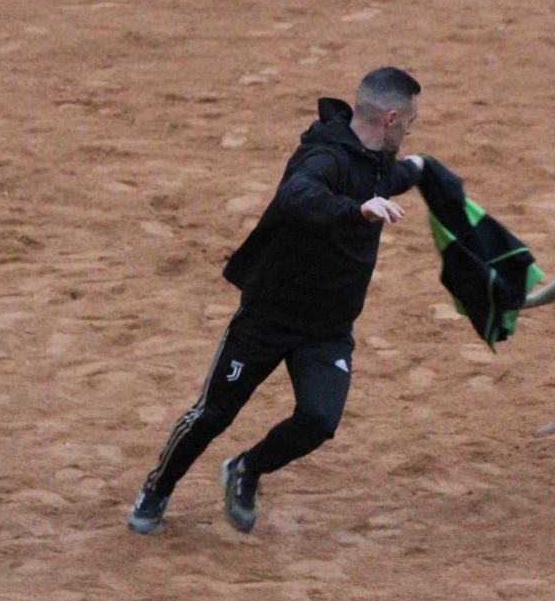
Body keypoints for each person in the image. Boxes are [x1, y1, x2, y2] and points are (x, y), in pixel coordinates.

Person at [128, 66, 425, 535]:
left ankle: (246, 469)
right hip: (268, 317)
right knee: (212, 414)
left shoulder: (379, 164)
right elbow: (297, 195)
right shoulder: (322, 156)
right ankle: (158, 486)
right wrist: (357, 210)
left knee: (319, 420)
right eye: (410, 121)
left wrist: (430, 173)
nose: (412, 128)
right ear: (390, 118)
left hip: (327, 329)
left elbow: (401, 173)